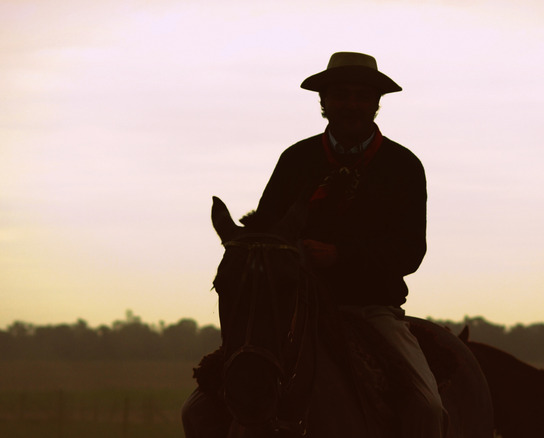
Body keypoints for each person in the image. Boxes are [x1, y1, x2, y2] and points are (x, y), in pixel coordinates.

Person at [183, 52, 444, 438]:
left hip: (371, 309)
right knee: (198, 414)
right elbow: (267, 232)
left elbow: (410, 251)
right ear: (324, 102)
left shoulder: (403, 165)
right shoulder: (296, 159)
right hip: (289, 313)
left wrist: (340, 256)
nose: (351, 104)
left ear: (376, 103)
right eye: (341, 95)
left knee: (427, 409)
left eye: (361, 96)